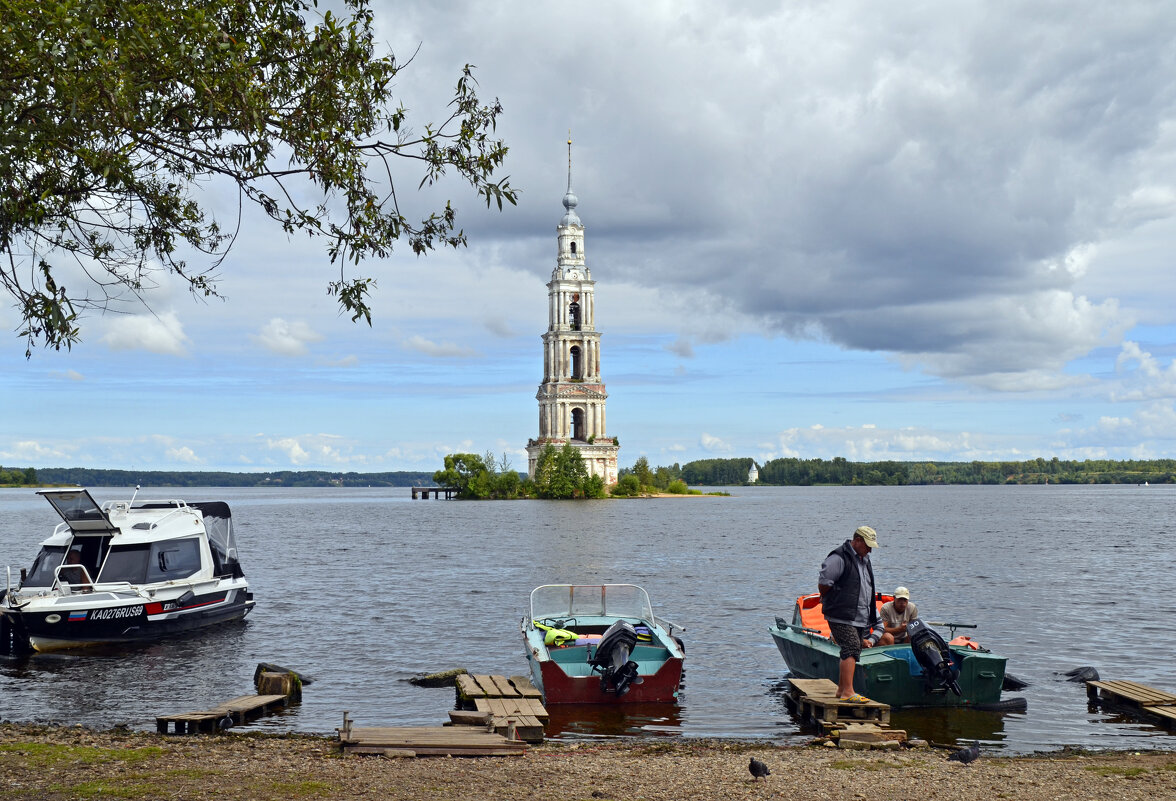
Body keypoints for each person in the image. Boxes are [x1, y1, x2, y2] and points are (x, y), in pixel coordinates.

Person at [818, 525, 882, 702]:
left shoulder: (865, 559)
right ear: (857, 540)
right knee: (852, 647)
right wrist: (836, 600)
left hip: (859, 615)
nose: (869, 549)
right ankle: (848, 692)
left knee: (852, 649)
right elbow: (824, 583)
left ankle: (841, 690)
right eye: (867, 545)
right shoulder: (839, 557)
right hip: (840, 613)